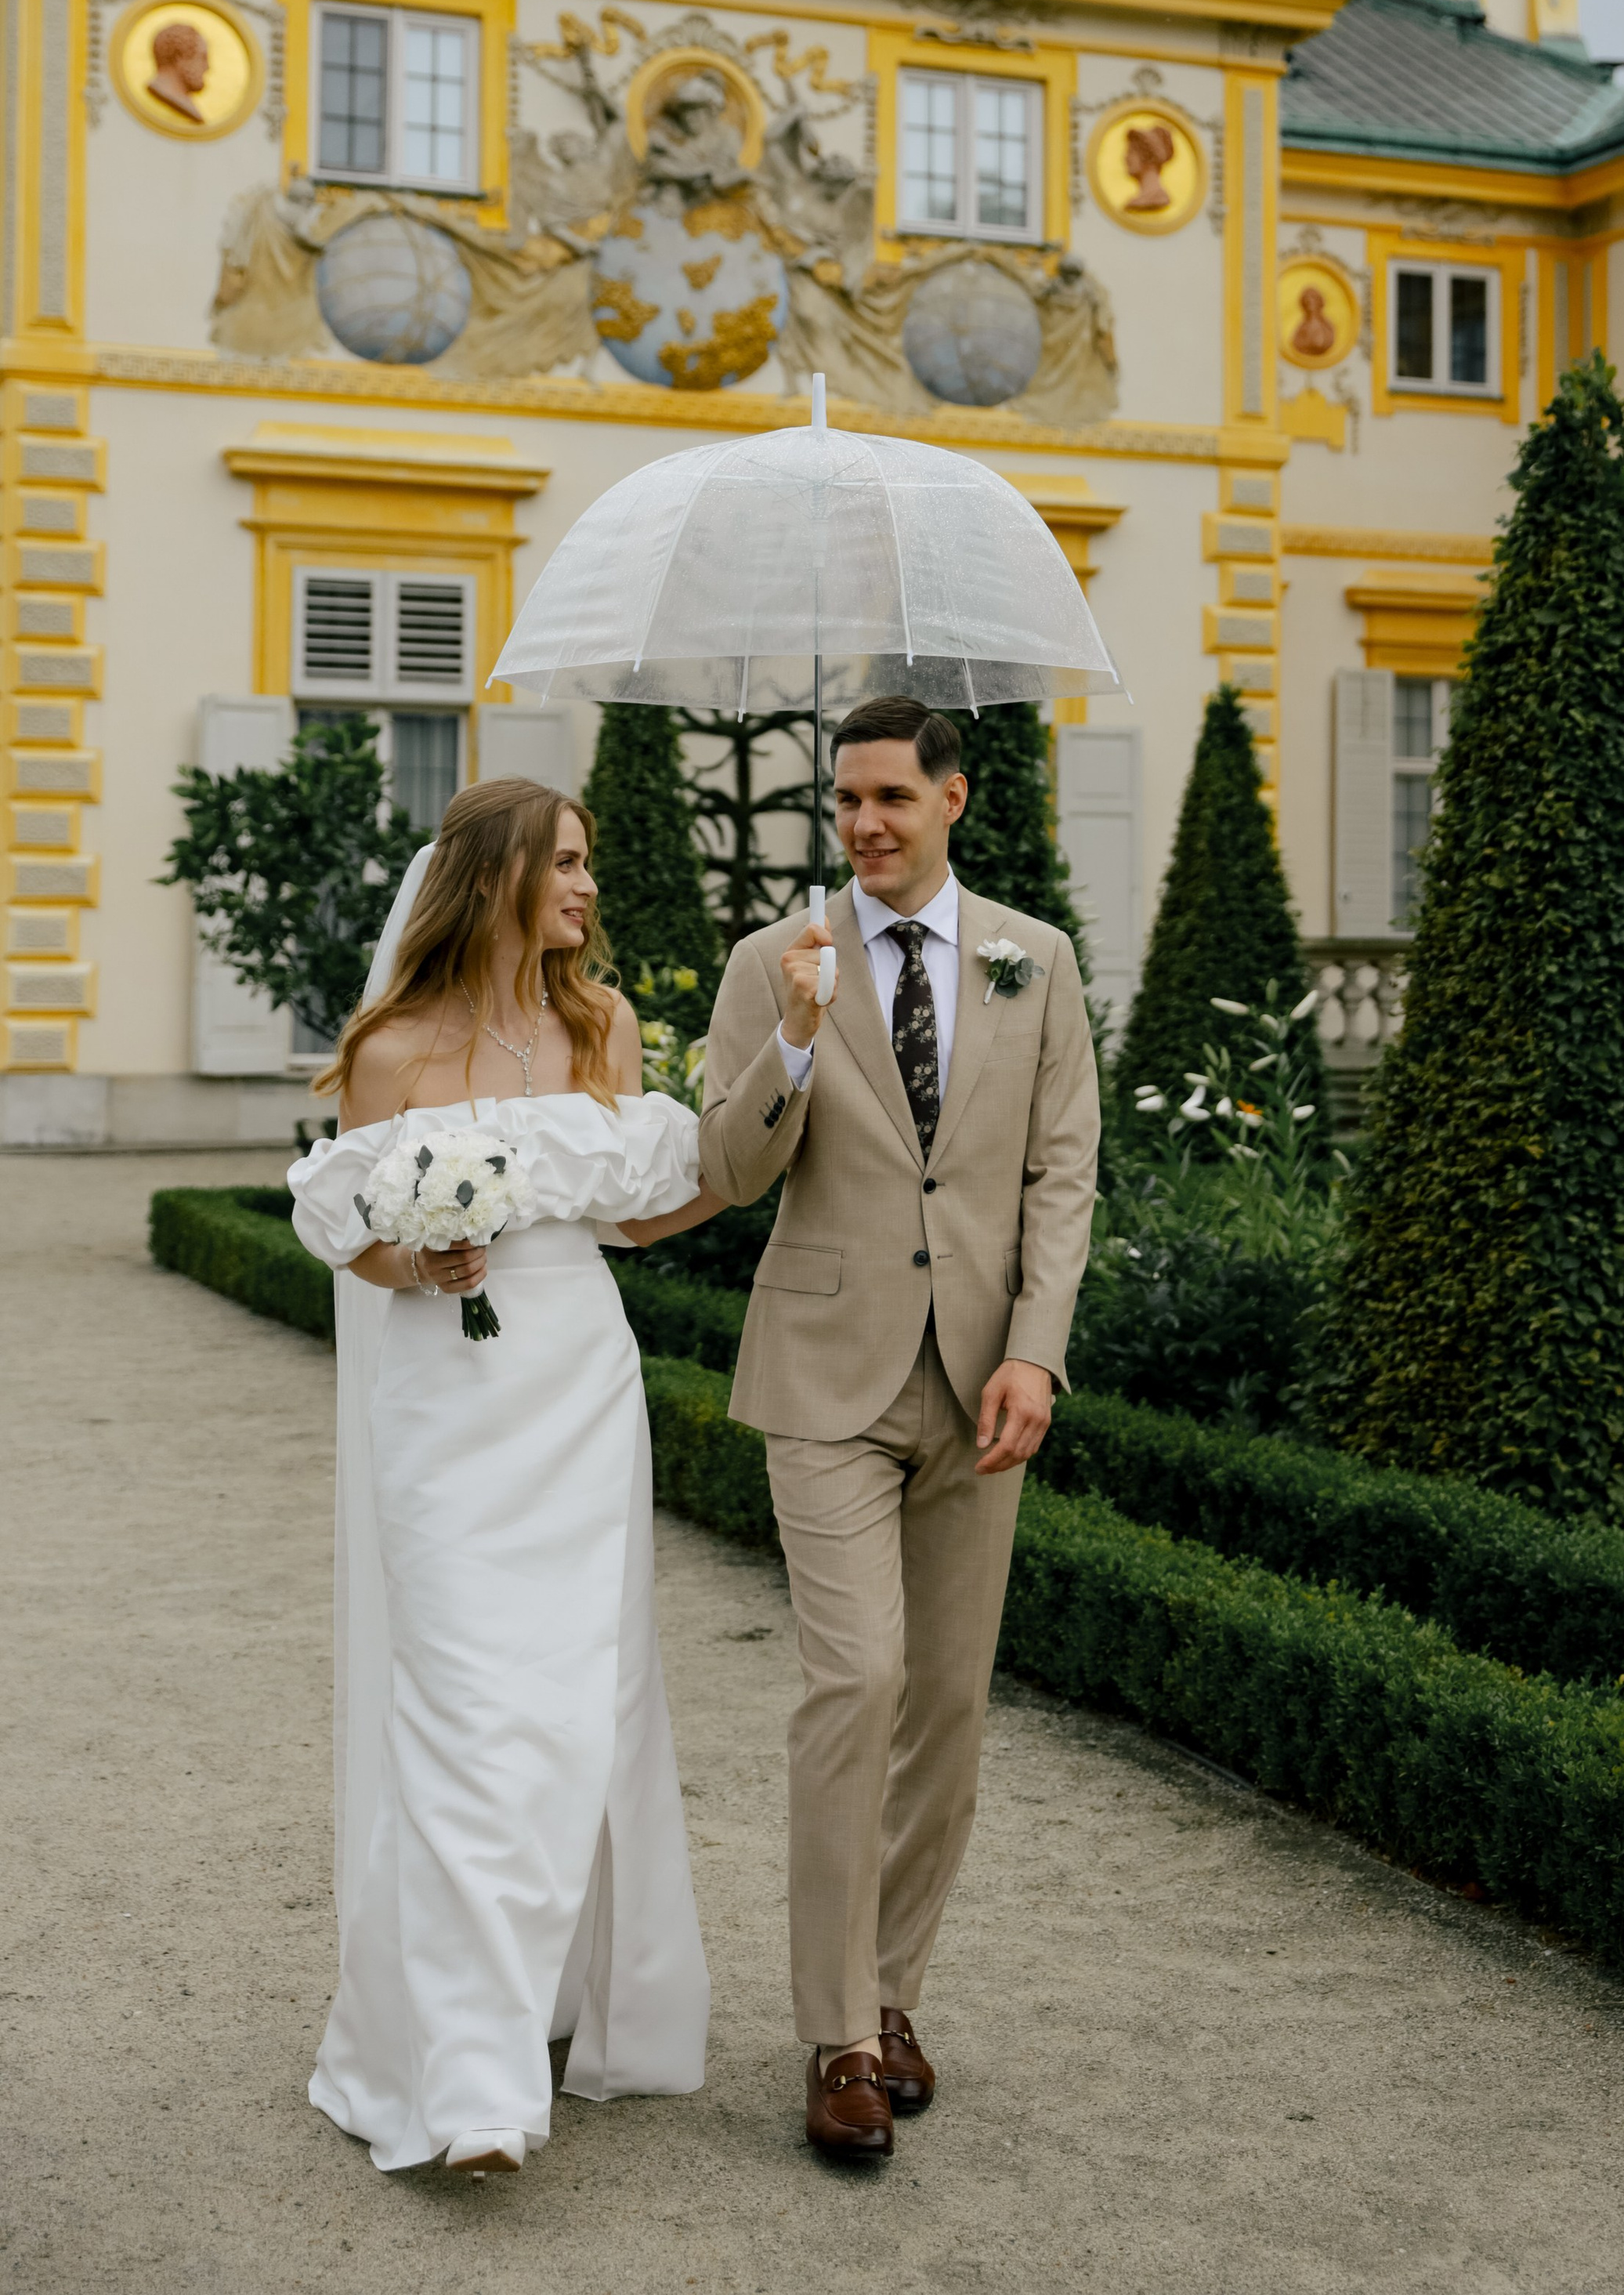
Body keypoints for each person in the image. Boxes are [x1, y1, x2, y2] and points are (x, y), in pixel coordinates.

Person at [288, 777, 723, 2177]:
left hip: (577, 1391)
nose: (590, 890)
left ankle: (553, 2002)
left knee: (577, 1705)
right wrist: (423, 1259)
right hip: (443, 1407)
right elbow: (355, 1237)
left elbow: (647, 1214)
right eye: (570, 865)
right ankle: (468, 2084)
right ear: (496, 878)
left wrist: (770, 1125)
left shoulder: (599, 1026)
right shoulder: (394, 1049)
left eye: (590, 866)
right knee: (469, 1710)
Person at [699, 696, 1098, 2161]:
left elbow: (1062, 1177)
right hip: (823, 1375)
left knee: (947, 1706)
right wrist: (793, 1042)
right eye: (845, 801)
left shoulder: (1034, 960)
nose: (864, 824)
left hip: (980, 1379)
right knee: (855, 1681)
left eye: (890, 799)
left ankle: (894, 1990)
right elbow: (728, 1170)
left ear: (952, 800)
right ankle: (837, 2037)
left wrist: (1037, 1358)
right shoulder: (771, 964)